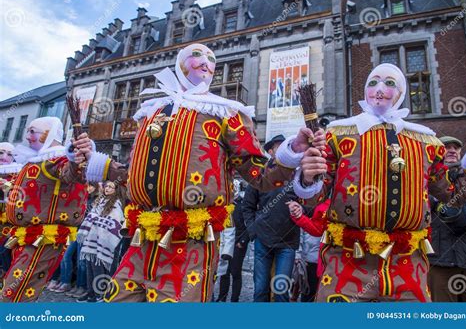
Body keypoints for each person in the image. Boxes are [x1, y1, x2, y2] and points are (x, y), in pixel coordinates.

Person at [73, 43, 325, 302]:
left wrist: (293, 151)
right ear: (180, 63)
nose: (206, 61)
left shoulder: (224, 112)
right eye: (197, 55)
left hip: (191, 242)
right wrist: (94, 161)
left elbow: (258, 174)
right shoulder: (151, 112)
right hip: (142, 240)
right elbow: (132, 173)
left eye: (211, 58)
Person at [289, 63, 466, 302]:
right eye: (373, 82)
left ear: (401, 93)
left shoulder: (426, 142)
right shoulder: (339, 134)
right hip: (348, 262)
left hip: (408, 264)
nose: (379, 88)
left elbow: (452, 195)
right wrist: (307, 178)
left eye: (389, 83)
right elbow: (318, 196)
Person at [0, 117, 88, 302]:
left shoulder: (57, 159)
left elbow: (71, 172)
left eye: (33, 131)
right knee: (18, 290)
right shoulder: (36, 161)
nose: (27, 136)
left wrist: (76, 157)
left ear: (48, 134)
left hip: (43, 240)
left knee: (14, 293)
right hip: (25, 237)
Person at [242, 135, 301, 302]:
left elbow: (308, 204)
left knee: (281, 291)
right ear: (270, 151)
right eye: (278, 146)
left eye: (285, 146)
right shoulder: (260, 176)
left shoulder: (296, 176)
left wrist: (300, 209)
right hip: (263, 241)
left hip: (287, 243)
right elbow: (247, 206)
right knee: (260, 289)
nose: (283, 149)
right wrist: (253, 231)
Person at [428, 136, 466, 302]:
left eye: (456, 147)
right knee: (445, 317)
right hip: (441, 262)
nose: (452, 150)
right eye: (446, 147)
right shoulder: (425, 179)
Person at [77, 180, 125, 302]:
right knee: (90, 266)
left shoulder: (116, 204)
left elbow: (115, 223)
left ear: (116, 190)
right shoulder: (99, 201)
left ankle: (101, 294)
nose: (107, 188)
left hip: (104, 240)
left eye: (111, 187)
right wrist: (95, 219)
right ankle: (90, 292)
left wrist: (96, 220)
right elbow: (91, 216)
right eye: (106, 186)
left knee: (99, 268)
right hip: (91, 239)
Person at [215, 180, 249, 302]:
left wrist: (243, 242)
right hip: (224, 242)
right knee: (224, 271)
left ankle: (234, 299)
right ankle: (222, 297)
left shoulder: (242, 204)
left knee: (235, 271)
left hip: (238, 243)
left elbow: (248, 225)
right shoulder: (223, 206)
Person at [288, 200, 327, 302]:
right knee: (307, 289)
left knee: (319, 290)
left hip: (322, 260)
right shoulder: (307, 214)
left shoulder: (326, 213)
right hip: (309, 259)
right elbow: (300, 237)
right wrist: (298, 255)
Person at [0, 143, 22, 281]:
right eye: (1, 153)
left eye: (9, 154)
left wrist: (7, 189)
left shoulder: (18, 174)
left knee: (4, 252)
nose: (4, 157)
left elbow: (21, 198)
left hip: (9, 222)